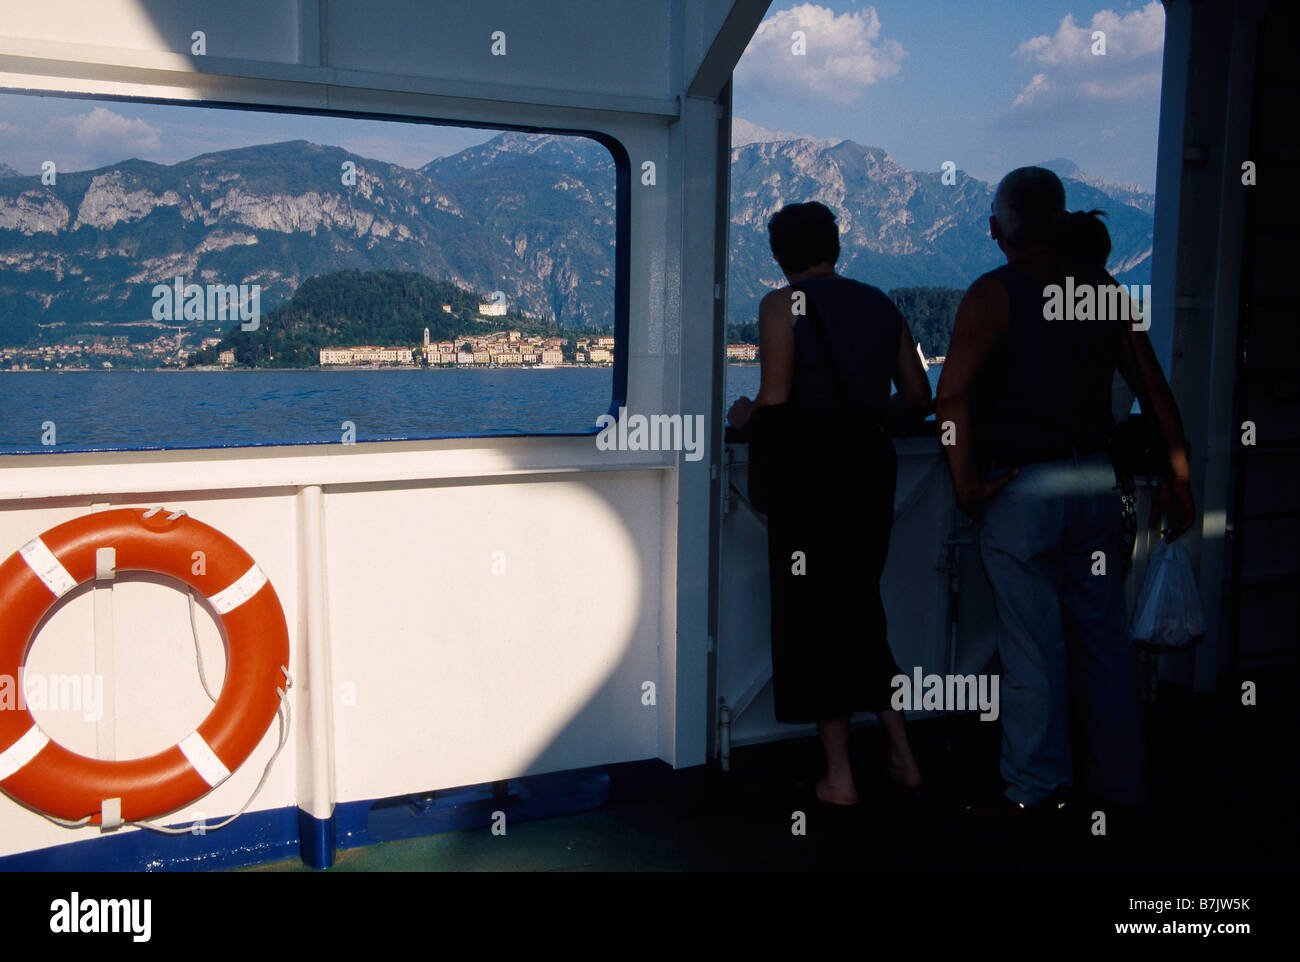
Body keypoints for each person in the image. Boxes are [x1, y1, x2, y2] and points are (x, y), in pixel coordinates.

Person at [935, 168, 1195, 821]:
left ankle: (1037, 787)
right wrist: (1178, 478)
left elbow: (953, 395)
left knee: (1035, 647)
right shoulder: (1105, 292)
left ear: (996, 231)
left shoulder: (991, 296)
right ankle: (1120, 783)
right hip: (1097, 484)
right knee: (1104, 642)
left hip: (1023, 489)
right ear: (1060, 222)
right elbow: (1156, 390)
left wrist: (966, 480)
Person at [727, 201, 932, 805]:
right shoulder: (881, 303)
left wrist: (745, 416)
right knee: (861, 611)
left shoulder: (780, 304)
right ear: (835, 245)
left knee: (813, 620)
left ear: (778, 254)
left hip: (809, 483)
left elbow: (777, 397)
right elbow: (918, 395)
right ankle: (903, 757)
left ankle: (840, 776)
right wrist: (862, 413)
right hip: (870, 475)